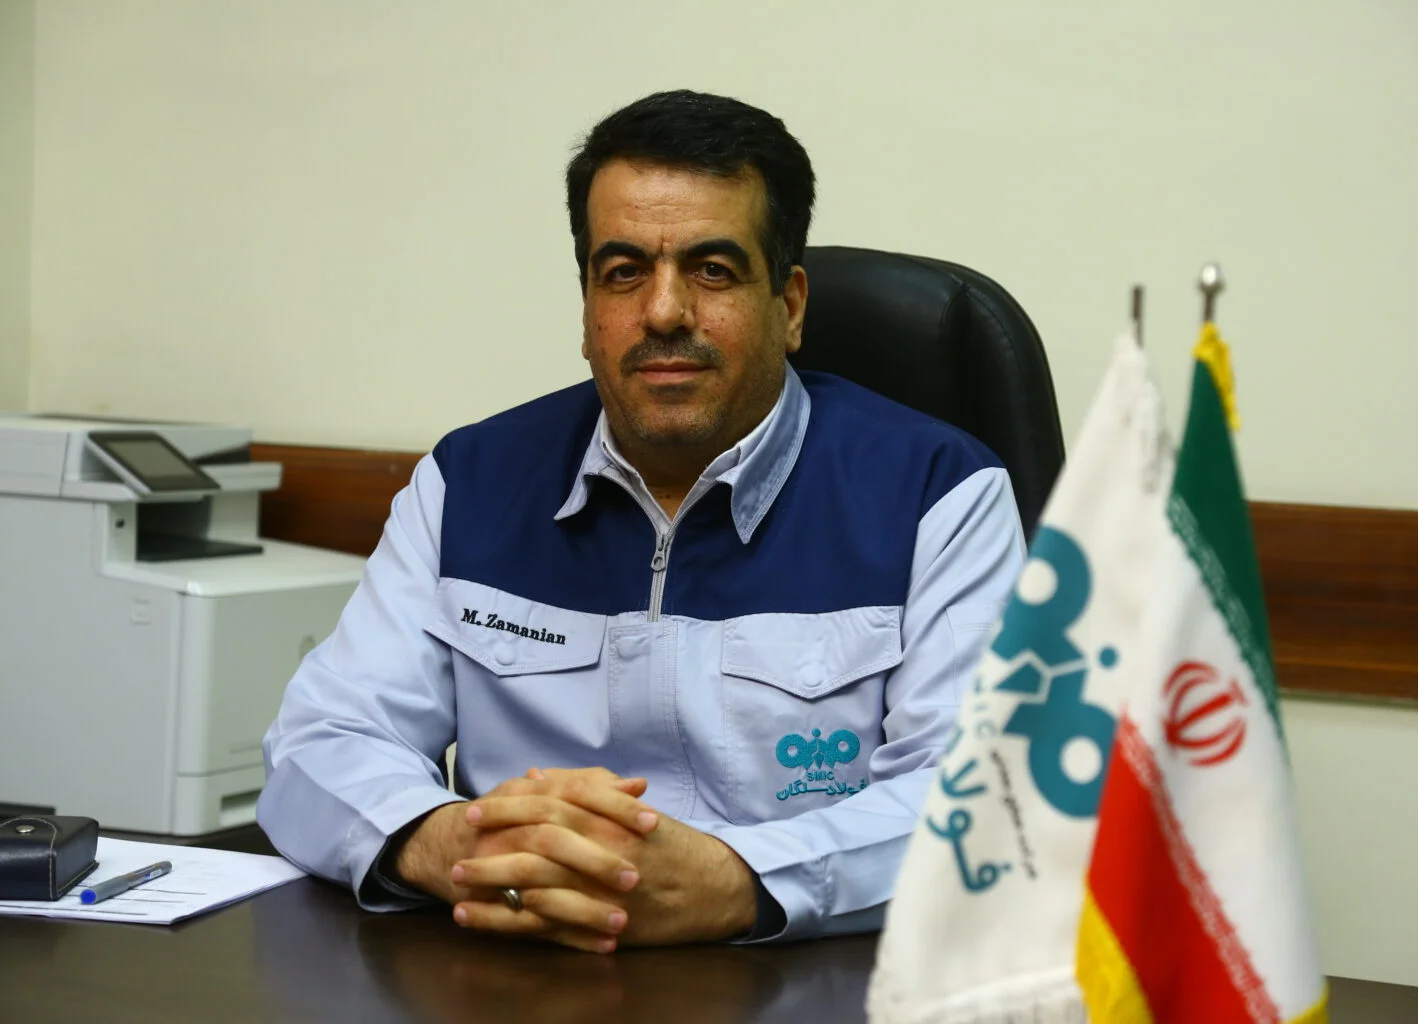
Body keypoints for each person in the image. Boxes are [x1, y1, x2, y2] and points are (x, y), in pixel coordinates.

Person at [258, 89, 1025, 953]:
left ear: (790, 305)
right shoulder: (469, 481)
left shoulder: (937, 492)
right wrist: (449, 845)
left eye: (713, 270)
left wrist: (737, 881)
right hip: (514, 966)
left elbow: (982, 798)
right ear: (588, 306)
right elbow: (320, 740)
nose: (663, 312)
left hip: (802, 979)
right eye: (623, 272)